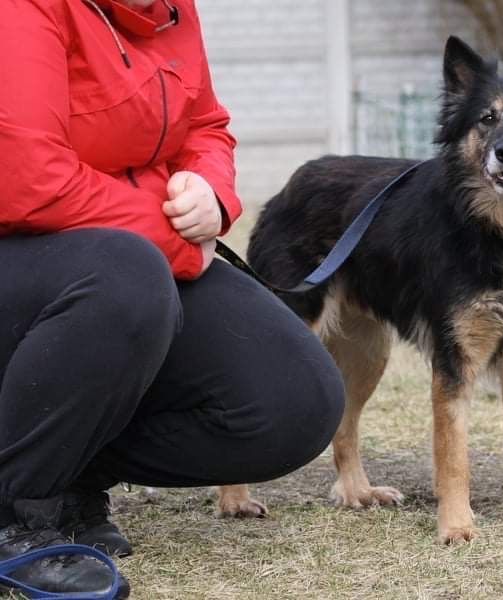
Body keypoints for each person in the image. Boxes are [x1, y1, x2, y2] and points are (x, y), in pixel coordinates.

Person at [0, 1, 345, 597]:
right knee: (126, 276)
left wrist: (211, 192)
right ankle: (13, 509)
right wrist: (175, 243)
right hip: (32, 249)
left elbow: (206, 124)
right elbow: (25, 180)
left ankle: (70, 470)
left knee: (296, 401)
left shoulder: (170, 10)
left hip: (119, 248)